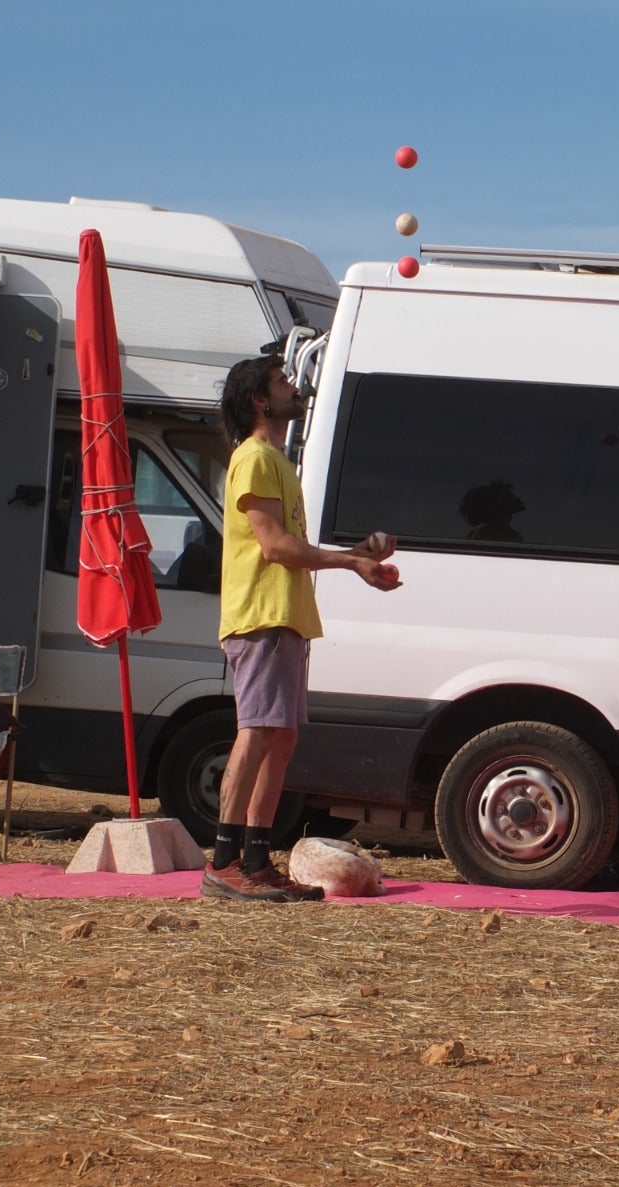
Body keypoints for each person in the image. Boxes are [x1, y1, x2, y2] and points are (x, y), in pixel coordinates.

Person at [201, 353, 400, 902]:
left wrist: (357, 556)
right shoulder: (256, 459)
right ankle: (223, 860)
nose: (294, 387)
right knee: (258, 731)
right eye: (283, 381)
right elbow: (275, 547)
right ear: (260, 400)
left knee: (281, 738)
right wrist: (349, 563)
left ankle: (257, 858)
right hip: (260, 615)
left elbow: (292, 546)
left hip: (285, 617)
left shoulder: (279, 463)